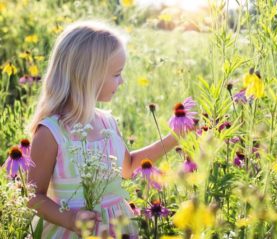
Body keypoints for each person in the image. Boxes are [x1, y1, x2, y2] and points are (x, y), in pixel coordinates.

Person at [27, 19, 179, 238]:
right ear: (88, 77)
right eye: (116, 74)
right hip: (70, 231)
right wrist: (70, 219)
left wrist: (175, 137)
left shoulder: (107, 122)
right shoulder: (51, 132)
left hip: (118, 228)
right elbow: (33, 197)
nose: (122, 81)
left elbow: (128, 168)